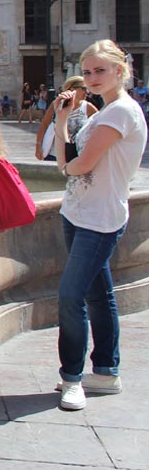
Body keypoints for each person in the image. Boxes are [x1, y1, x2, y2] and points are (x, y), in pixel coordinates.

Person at [53, 40, 147, 410]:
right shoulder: (100, 113)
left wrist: (67, 163)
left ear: (120, 71)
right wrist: (62, 121)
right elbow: (64, 155)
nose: (91, 78)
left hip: (99, 219)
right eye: (87, 71)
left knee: (70, 296)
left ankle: (72, 378)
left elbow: (79, 163)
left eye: (100, 71)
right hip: (77, 212)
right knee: (98, 294)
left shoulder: (120, 113)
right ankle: (106, 372)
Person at [36, 76, 96, 162]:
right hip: (55, 155)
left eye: (88, 89)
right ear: (72, 89)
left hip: (78, 155)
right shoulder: (56, 104)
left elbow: (99, 125)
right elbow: (44, 125)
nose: (87, 92)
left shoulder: (88, 107)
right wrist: (38, 146)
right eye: (84, 88)